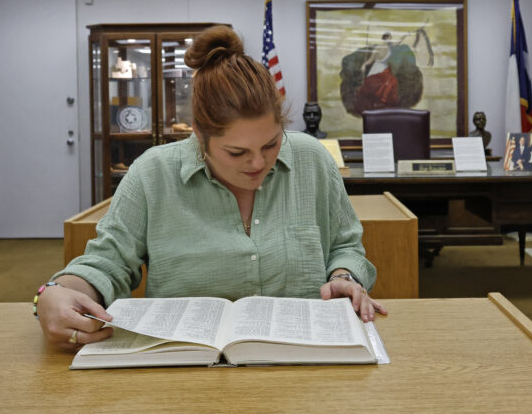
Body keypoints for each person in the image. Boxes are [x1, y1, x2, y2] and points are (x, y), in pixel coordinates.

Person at [35, 25, 386, 351]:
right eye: (237, 152)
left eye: (271, 144)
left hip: (304, 359)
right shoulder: (153, 173)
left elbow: (345, 245)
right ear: (200, 136)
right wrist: (57, 293)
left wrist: (343, 275)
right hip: (184, 365)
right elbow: (106, 262)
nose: (258, 164)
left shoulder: (312, 160)